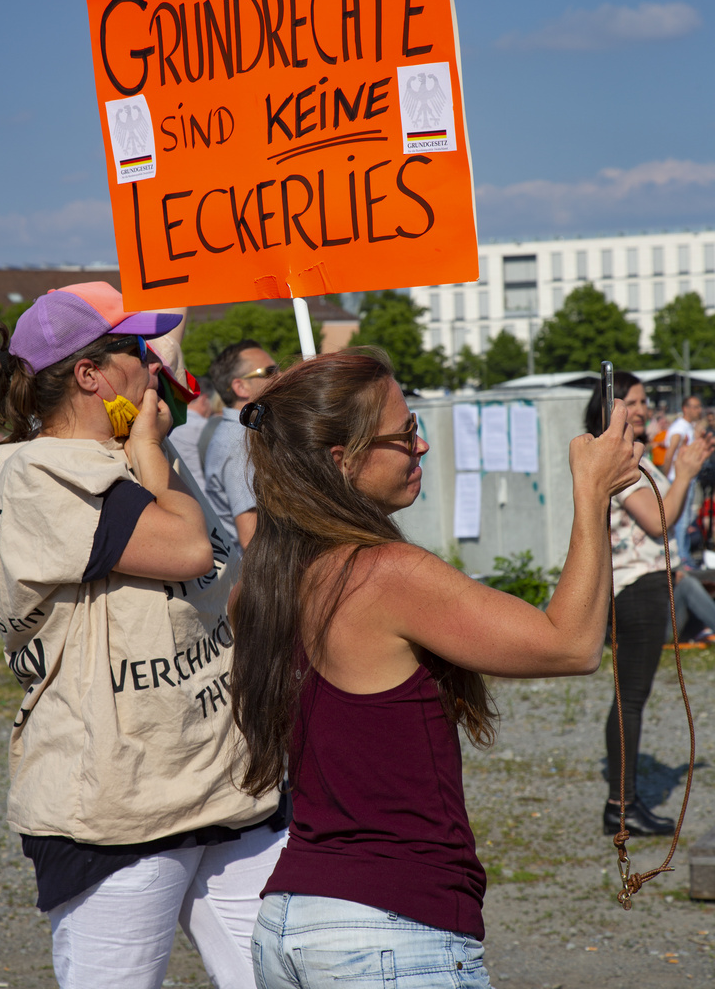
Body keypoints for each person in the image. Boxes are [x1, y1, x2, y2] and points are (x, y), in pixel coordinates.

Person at [227, 348, 642, 989]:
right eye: (404, 434)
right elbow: (573, 644)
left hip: (293, 919)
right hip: (387, 929)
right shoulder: (383, 573)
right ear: (343, 459)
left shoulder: (259, 580)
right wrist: (591, 493)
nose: (420, 446)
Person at [0, 282, 288, 989]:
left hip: (227, 783)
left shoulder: (142, 450)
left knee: (279, 976)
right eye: (133, 350)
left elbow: (223, 578)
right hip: (117, 807)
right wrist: (152, 454)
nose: (154, 363)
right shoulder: (31, 474)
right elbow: (186, 550)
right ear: (89, 375)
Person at [584, 373, 712, 836]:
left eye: (642, 402)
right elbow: (660, 520)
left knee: (630, 697)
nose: (641, 409)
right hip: (635, 587)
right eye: (632, 402)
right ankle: (622, 806)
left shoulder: (629, 455)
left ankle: (624, 802)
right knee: (630, 698)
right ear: (610, 406)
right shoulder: (616, 459)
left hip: (647, 582)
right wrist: (686, 474)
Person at [205, 340, 278, 557]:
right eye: (269, 372)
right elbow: (251, 539)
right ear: (240, 387)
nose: (280, 376)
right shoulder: (240, 441)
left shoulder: (244, 434)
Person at [663, 394, 703, 569]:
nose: (698, 410)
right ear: (685, 408)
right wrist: (665, 478)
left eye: (699, 406)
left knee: (685, 519)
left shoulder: (686, 427)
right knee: (681, 521)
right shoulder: (679, 428)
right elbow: (670, 453)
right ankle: (682, 558)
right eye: (694, 407)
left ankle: (683, 556)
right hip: (678, 478)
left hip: (684, 478)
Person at [169, 373, 217, 495]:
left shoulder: (169, 423)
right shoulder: (204, 427)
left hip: (178, 494)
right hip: (205, 496)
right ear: (204, 399)